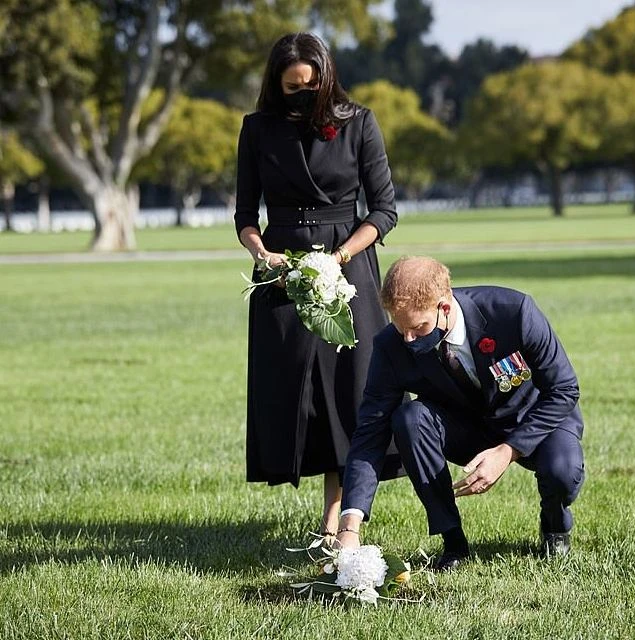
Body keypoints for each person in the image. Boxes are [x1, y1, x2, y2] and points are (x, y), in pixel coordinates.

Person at [234, 33, 402, 536]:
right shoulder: (257, 130)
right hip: (282, 266)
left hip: (347, 262)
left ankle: (338, 513)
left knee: (346, 388)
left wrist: (342, 256)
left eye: (311, 85)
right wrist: (262, 252)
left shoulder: (360, 124)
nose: (303, 93)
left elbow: (384, 210)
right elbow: (246, 214)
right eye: (292, 87)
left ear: (326, 79)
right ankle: (302, 477)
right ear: (276, 84)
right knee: (291, 389)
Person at [335, 256, 585, 569]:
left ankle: (554, 525)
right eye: (400, 329)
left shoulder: (514, 312)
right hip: (465, 428)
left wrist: (507, 451)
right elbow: (370, 431)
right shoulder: (391, 346)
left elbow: (564, 390)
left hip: (533, 418)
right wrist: (349, 525)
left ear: (445, 307)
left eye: (418, 327)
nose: (408, 340)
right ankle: (453, 542)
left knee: (563, 471)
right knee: (409, 419)